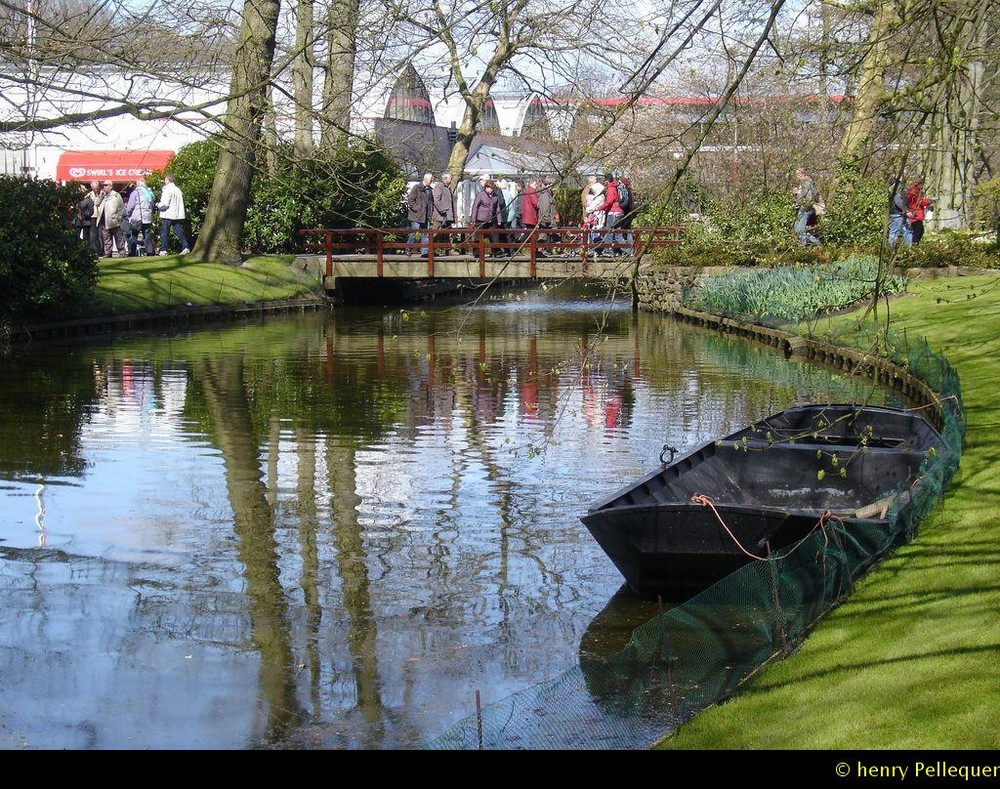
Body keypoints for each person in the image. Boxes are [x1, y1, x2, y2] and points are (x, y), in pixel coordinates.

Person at [157, 174, 190, 255]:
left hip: (167, 214)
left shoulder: (167, 189)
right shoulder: (177, 190)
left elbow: (165, 203)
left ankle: (164, 249)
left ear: (167, 180)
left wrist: (158, 205)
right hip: (176, 214)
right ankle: (185, 246)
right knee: (178, 231)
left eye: (165, 179)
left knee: (165, 232)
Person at [93, 179, 127, 258]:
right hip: (105, 221)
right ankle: (108, 253)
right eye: (103, 186)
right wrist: (100, 196)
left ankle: (122, 252)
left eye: (106, 185)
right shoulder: (103, 196)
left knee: (118, 238)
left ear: (110, 186)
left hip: (114, 220)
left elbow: (121, 208)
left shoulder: (116, 195)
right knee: (106, 239)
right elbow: (96, 203)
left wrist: (118, 217)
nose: (104, 187)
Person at [470, 179, 504, 256]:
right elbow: (475, 207)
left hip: (491, 219)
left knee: (494, 235)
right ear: (486, 187)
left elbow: (497, 208)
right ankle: (477, 253)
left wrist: (499, 219)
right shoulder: (480, 195)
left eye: (492, 188)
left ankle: (497, 252)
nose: (491, 190)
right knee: (479, 236)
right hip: (481, 219)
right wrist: (473, 219)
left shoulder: (495, 196)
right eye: (490, 188)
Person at [597, 171, 627, 256]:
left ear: (607, 181)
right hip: (619, 212)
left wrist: (599, 208)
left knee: (608, 231)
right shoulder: (616, 187)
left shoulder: (611, 189)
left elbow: (609, 202)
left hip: (612, 213)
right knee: (617, 232)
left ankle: (607, 249)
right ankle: (628, 250)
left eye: (604, 181)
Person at [125, 178, 155, 257]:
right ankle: (150, 251)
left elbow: (130, 206)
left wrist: (128, 213)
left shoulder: (135, 193)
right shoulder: (149, 193)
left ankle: (132, 252)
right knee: (147, 234)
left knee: (134, 235)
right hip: (147, 217)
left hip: (137, 217)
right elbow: (152, 205)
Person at [406, 172, 433, 255]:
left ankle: (424, 252)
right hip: (416, 216)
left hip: (426, 216)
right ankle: (408, 249)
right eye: (431, 179)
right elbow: (410, 200)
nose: (432, 180)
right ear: (426, 179)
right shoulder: (417, 188)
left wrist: (430, 213)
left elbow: (431, 202)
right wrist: (417, 209)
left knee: (425, 234)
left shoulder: (430, 190)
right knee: (413, 234)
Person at [791, 167, 821, 246]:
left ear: (802, 174)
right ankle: (817, 244)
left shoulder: (806, 182)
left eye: (797, 174)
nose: (796, 176)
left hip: (805, 209)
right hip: (803, 208)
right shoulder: (804, 182)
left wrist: (799, 197)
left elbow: (808, 197)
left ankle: (805, 247)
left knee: (799, 230)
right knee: (797, 229)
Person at [431, 172, 455, 254]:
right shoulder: (439, 186)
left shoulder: (448, 188)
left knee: (448, 233)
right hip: (440, 216)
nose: (451, 180)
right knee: (436, 233)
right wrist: (443, 211)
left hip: (447, 216)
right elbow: (436, 200)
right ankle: (431, 250)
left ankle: (449, 250)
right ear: (446, 178)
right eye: (450, 178)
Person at [905, 179, 933, 245]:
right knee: (918, 231)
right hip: (916, 214)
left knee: (920, 231)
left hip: (916, 213)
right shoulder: (915, 191)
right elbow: (920, 201)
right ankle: (914, 244)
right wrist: (929, 201)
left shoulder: (913, 190)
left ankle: (915, 244)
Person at [887, 176, 909, 246]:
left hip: (895, 213)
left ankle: (907, 246)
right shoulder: (895, 194)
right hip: (897, 214)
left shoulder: (892, 193)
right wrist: (906, 211)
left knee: (905, 230)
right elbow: (898, 202)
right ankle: (891, 247)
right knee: (894, 232)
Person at [84, 180, 104, 254]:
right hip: (93, 216)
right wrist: (100, 196)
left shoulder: (103, 193)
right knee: (93, 234)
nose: (96, 190)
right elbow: (96, 202)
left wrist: (101, 195)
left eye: (97, 188)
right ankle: (94, 250)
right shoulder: (89, 195)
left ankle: (101, 250)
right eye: (94, 188)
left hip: (101, 215)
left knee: (101, 234)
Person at [584, 182, 606, 249]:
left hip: (597, 218)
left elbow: (590, 208)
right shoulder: (601, 197)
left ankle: (596, 249)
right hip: (597, 217)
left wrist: (587, 209)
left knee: (595, 233)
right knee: (595, 233)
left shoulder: (599, 198)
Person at [75, 184, 95, 248]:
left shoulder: (88, 200)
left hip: (86, 221)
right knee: (76, 236)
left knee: (86, 237)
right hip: (77, 221)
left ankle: (86, 249)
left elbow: (91, 211)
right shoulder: (77, 200)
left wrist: (85, 214)